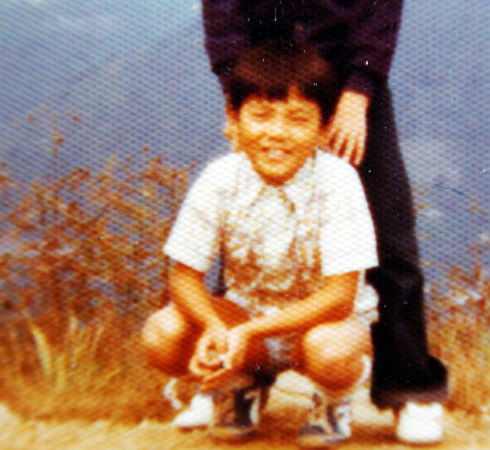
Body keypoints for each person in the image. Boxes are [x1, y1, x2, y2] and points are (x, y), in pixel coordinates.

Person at [202, 0, 448, 444]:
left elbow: (381, 8)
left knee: (388, 233)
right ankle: (238, 378)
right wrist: (233, 94)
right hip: (263, 78)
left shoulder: (356, 92)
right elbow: (223, 11)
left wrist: (359, 93)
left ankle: (410, 388)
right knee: (246, 221)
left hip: (348, 76)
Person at [142, 42, 380, 448]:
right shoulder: (220, 178)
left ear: (324, 129)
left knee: (330, 350)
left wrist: (247, 331)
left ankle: (334, 398)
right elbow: (183, 277)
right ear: (234, 119)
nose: (277, 133)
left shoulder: (338, 181)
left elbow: (340, 298)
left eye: (298, 119)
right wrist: (216, 327)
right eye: (260, 115)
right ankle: (240, 384)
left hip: (320, 326)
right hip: (246, 319)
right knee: (162, 333)